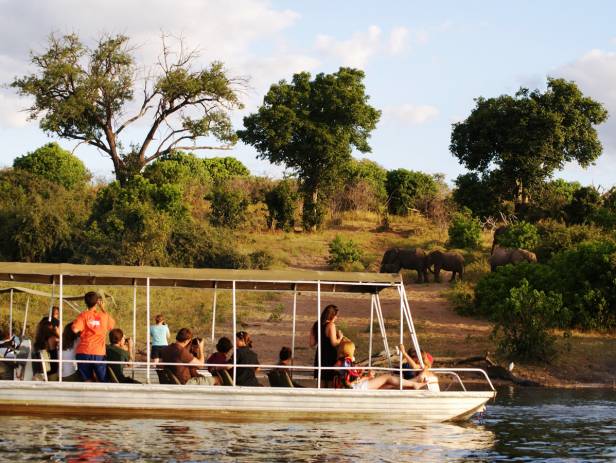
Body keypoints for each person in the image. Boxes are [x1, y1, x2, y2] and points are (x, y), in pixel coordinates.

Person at [333, 339, 427, 391]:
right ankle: (414, 384)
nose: (354, 351)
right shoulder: (346, 363)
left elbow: (349, 378)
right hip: (356, 388)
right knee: (386, 377)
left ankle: (413, 382)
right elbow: (349, 383)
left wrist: (363, 375)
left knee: (387, 384)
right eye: (353, 349)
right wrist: (367, 377)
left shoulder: (340, 362)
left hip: (355, 386)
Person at [72, 292, 115, 382]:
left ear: (85, 302)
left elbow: (75, 329)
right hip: (98, 353)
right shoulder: (104, 316)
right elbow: (111, 326)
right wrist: (103, 309)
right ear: (97, 302)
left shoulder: (83, 315)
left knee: (87, 379)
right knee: (103, 380)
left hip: (84, 351)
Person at [309, 304, 343, 387]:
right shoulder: (331, 325)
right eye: (336, 315)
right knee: (330, 381)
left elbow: (311, 344)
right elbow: (334, 343)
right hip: (330, 356)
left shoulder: (316, 324)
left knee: (321, 380)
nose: (336, 318)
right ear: (332, 315)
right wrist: (340, 338)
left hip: (320, 355)